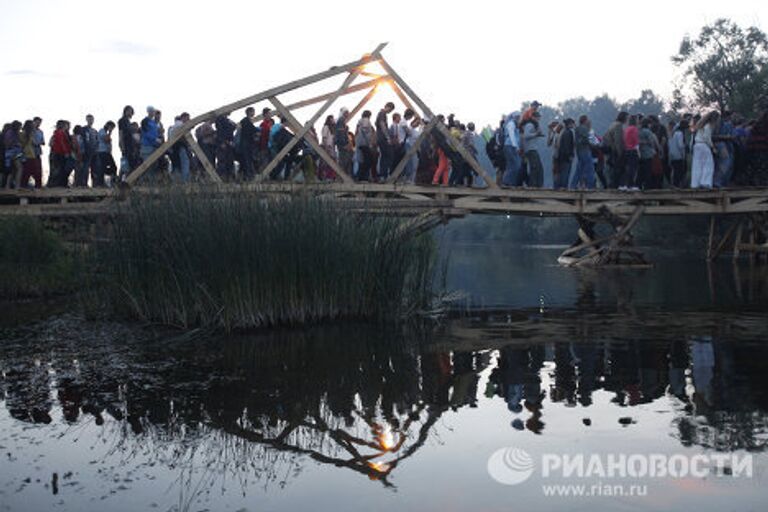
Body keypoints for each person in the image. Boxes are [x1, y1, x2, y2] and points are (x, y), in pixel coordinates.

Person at [691, 111, 720, 189]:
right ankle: (705, 182)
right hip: (704, 145)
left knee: (697, 165)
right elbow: (707, 138)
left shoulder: (701, 125)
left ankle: (695, 183)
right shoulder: (708, 126)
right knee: (708, 164)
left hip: (697, 145)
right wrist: (713, 147)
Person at [602, 112, 627, 189]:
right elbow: (618, 141)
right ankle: (614, 187)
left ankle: (611, 186)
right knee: (616, 171)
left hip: (608, 150)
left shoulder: (613, 124)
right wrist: (620, 154)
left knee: (610, 171)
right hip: (613, 151)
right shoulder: (618, 126)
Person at [570, 115, 596, 189]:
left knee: (579, 170)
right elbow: (585, 139)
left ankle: (573, 185)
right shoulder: (584, 128)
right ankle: (590, 186)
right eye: (587, 120)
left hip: (579, 151)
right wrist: (593, 145)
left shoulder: (577, 129)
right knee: (590, 169)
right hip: (585, 151)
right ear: (585, 120)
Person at [522, 111, 546, 188]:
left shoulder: (534, 125)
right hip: (530, 149)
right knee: (534, 167)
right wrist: (536, 134)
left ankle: (538, 184)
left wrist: (539, 134)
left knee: (539, 167)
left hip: (533, 148)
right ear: (533, 117)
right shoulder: (529, 125)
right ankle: (533, 185)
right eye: (537, 117)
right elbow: (526, 135)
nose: (539, 118)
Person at [637, 119, 661, 190]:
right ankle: (648, 187)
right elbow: (651, 142)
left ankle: (639, 185)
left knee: (641, 172)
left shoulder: (639, 131)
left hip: (641, 154)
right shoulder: (648, 131)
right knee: (648, 171)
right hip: (648, 154)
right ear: (648, 124)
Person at [713, 111, 735, 188]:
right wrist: (728, 137)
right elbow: (716, 136)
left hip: (725, 145)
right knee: (724, 164)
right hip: (724, 145)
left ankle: (721, 182)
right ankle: (718, 182)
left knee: (723, 164)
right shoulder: (726, 124)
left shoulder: (722, 124)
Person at [49, 120, 72, 187]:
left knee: (62, 168)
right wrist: (65, 152)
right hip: (59, 153)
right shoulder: (60, 133)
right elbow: (62, 143)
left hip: (60, 152)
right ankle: (57, 184)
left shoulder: (61, 133)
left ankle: (61, 183)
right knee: (59, 168)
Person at [501, 112, 522, 187]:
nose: (519, 119)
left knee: (511, 165)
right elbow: (512, 135)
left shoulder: (513, 124)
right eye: (518, 117)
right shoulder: (511, 124)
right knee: (515, 165)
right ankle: (507, 182)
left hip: (510, 146)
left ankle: (509, 183)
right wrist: (516, 147)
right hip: (510, 146)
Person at [19, 120, 42, 188]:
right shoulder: (27, 134)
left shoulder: (22, 133)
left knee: (27, 171)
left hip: (28, 154)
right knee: (34, 171)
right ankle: (37, 186)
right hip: (29, 154)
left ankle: (24, 185)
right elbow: (34, 143)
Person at [375, 102, 395, 181]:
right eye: (390, 109)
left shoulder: (381, 114)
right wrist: (388, 138)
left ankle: (383, 175)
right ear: (387, 107)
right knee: (389, 155)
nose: (390, 111)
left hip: (380, 138)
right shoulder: (382, 113)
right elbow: (382, 125)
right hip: (383, 138)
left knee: (384, 156)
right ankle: (384, 174)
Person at [94, 121, 116, 187]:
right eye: (111, 127)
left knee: (113, 167)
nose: (112, 129)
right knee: (103, 167)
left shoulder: (105, 132)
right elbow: (106, 139)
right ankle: (100, 182)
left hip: (107, 152)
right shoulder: (102, 131)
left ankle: (112, 181)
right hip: (102, 152)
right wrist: (109, 133)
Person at [355, 110, 376, 182]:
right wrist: (369, 143)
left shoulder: (359, 121)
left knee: (363, 160)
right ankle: (361, 177)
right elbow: (365, 130)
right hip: (364, 143)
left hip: (360, 142)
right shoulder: (366, 120)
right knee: (369, 160)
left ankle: (361, 176)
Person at [215, 113, 237, 180]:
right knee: (223, 161)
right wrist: (222, 142)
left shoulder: (227, 120)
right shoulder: (221, 119)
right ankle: (223, 177)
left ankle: (228, 176)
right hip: (224, 143)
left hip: (228, 143)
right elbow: (220, 131)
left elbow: (234, 126)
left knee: (229, 161)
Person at [238, 107, 258, 181]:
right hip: (246, 143)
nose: (254, 113)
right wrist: (256, 132)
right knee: (247, 160)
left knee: (246, 160)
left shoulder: (246, 121)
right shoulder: (246, 121)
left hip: (246, 143)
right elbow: (250, 131)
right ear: (249, 112)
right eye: (253, 111)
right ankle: (247, 176)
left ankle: (244, 176)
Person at [78, 114, 98, 187]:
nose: (91, 121)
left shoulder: (94, 131)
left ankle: (95, 184)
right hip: (86, 152)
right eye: (89, 119)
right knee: (85, 168)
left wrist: (96, 149)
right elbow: (81, 140)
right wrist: (81, 151)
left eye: (92, 119)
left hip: (94, 152)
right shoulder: (83, 129)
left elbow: (96, 140)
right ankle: (84, 183)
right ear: (86, 120)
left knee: (95, 168)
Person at [140, 106, 160, 175]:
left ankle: (151, 182)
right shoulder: (145, 121)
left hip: (154, 146)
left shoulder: (154, 123)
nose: (154, 113)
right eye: (153, 111)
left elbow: (155, 132)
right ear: (149, 112)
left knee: (154, 165)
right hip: (146, 146)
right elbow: (145, 133)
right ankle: (147, 181)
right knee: (147, 165)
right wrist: (155, 139)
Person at [555, 118, 575, 189]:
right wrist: (569, 156)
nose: (574, 125)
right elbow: (567, 146)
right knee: (565, 173)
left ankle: (558, 187)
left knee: (561, 173)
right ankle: (563, 187)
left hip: (561, 156)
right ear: (569, 124)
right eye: (573, 123)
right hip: (566, 157)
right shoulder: (568, 132)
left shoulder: (563, 132)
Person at [668, 120, 689, 188]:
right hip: (679, 155)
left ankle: (673, 184)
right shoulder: (680, 133)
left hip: (672, 155)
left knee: (674, 170)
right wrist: (684, 148)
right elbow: (680, 145)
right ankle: (677, 185)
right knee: (679, 171)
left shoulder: (672, 133)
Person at [622, 115, 640, 190]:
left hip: (627, 149)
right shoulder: (634, 129)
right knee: (633, 169)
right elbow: (635, 140)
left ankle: (626, 184)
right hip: (633, 150)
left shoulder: (627, 129)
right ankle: (631, 185)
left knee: (628, 168)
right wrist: (639, 152)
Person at [118, 106, 135, 177]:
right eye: (130, 111)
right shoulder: (122, 120)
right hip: (126, 144)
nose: (131, 113)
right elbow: (121, 133)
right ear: (126, 111)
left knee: (129, 162)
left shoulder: (128, 121)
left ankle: (127, 178)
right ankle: (121, 179)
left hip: (130, 144)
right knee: (125, 163)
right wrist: (121, 144)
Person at [335, 108, 352, 177]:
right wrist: (344, 144)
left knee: (344, 159)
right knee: (343, 160)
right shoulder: (341, 120)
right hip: (342, 144)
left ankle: (342, 176)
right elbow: (341, 133)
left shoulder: (341, 120)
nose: (348, 114)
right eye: (347, 113)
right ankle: (341, 176)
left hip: (342, 143)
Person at [320, 114, 337, 180]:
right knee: (326, 162)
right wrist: (326, 147)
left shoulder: (332, 129)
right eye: (332, 119)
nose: (333, 120)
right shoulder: (326, 127)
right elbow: (324, 138)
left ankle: (330, 176)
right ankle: (325, 176)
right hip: (327, 147)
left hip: (332, 148)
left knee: (331, 162)